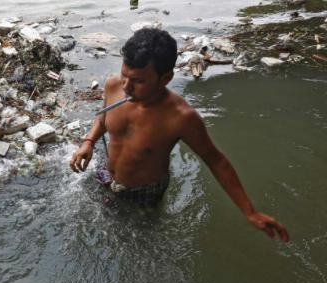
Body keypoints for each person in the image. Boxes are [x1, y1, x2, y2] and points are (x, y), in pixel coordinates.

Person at [69, 28, 289, 242]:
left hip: (143, 192)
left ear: (165, 78)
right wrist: (88, 142)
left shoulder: (180, 118)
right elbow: (103, 117)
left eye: (138, 81)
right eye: (124, 76)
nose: (127, 87)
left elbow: (216, 161)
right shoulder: (113, 85)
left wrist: (250, 212)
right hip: (107, 175)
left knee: (138, 240)